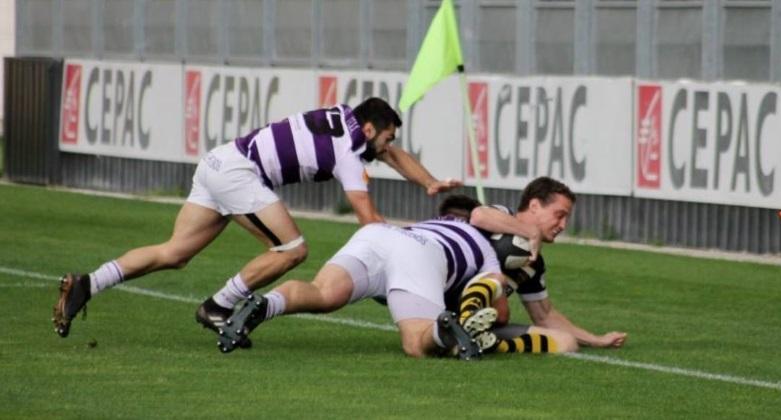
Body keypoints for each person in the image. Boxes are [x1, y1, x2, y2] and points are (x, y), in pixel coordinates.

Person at [52, 97, 462, 340]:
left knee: (175, 252)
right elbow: (368, 220)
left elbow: (391, 153)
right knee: (293, 249)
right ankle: (217, 306)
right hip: (240, 174)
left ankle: (89, 282)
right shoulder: (349, 155)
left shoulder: (347, 118)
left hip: (220, 161)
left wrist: (428, 184)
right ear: (370, 128)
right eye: (387, 137)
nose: (389, 147)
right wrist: (407, 246)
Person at [214, 197, 543, 359]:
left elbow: (479, 213)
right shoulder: (485, 255)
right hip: (418, 257)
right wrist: (507, 283)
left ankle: (265, 303)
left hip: (379, 235)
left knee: (322, 293)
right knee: (416, 342)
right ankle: (443, 329)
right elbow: (500, 315)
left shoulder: (439, 222)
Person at [449, 178, 628, 354]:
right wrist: (531, 232)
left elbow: (545, 316)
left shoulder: (534, 263)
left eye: (566, 218)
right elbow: (479, 216)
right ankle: (451, 335)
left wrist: (597, 340)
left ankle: (479, 342)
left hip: (484, 324)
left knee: (566, 343)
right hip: (441, 309)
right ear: (534, 206)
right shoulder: (501, 215)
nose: (563, 225)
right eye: (559, 215)